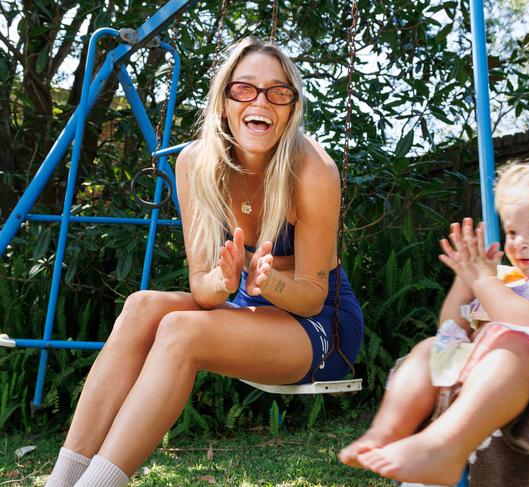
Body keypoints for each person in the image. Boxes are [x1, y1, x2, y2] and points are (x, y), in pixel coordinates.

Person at [45, 36, 363, 487]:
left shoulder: (312, 170)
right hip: (249, 309)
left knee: (180, 330)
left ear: (291, 107)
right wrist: (225, 277)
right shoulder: (196, 163)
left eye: (278, 91)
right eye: (244, 88)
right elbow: (204, 288)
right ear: (225, 98)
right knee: (140, 306)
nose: (261, 101)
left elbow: (312, 297)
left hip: (319, 326)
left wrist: (269, 282)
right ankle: (61, 481)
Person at [339, 158, 529, 485]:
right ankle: (386, 433)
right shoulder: (512, 278)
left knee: (512, 347)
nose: (520, 242)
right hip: (498, 364)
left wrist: (485, 284)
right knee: (430, 348)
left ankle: (444, 448)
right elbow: (452, 329)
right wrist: (467, 280)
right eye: (512, 231)